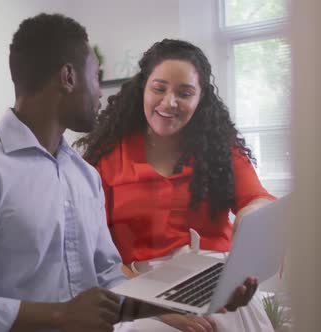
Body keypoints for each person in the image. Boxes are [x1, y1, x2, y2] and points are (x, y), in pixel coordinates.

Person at [0, 16, 255, 332]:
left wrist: (187, 304)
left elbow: (108, 280)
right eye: (96, 77)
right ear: (68, 77)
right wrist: (60, 315)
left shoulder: (83, 175)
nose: (101, 96)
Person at [75, 39, 275, 330]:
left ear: (200, 98)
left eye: (185, 93)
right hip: (139, 292)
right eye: (159, 89)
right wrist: (157, 309)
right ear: (143, 88)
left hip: (216, 281)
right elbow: (95, 253)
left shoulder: (220, 147)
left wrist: (253, 215)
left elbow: (257, 199)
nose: (170, 102)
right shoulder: (105, 159)